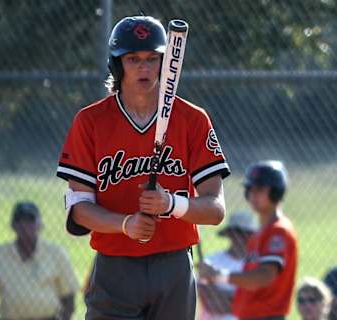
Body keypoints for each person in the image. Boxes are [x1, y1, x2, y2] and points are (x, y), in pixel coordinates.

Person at [56, 15, 231, 320]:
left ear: (166, 64)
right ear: (116, 64)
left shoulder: (192, 119)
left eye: (153, 58)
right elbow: (80, 209)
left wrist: (171, 204)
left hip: (174, 265)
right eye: (133, 58)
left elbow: (215, 209)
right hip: (116, 266)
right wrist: (125, 224)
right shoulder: (91, 121)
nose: (144, 67)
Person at [199, 160, 298, 320]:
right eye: (249, 189)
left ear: (276, 192)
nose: (253, 195)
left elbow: (265, 276)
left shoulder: (278, 231)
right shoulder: (259, 235)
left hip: (266, 316)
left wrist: (219, 275)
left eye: (259, 189)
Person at [0, 202, 79, 320]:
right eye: (20, 220)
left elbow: (69, 298)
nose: (25, 226)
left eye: (30, 220)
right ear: (13, 225)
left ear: (39, 225)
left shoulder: (56, 254)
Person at [198, 211, 257, 320]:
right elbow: (210, 304)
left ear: (252, 235)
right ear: (229, 233)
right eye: (236, 231)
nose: (240, 237)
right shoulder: (211, 261)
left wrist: (217, 292)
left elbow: (254, 303)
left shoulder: (257, 266)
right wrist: (237, 296)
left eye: (245, 233)